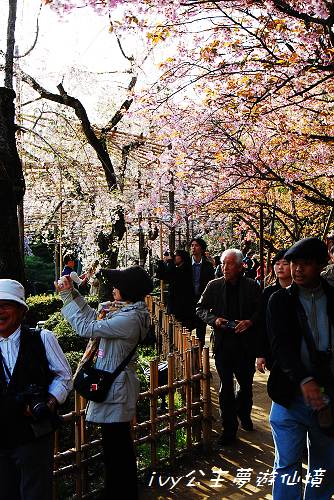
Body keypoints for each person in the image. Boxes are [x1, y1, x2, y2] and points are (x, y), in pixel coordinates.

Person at [55, 265, 153, 500]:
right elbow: (92, 318)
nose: (114, 288)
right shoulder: (123, 311)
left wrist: (67, 297)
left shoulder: (129, 318)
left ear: (129, 290)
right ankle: (122, 492)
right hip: (115, 387)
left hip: (115, 390)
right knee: (117, 448)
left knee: (117, 450)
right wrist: (72, 295)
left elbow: (86, 327)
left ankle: (121, 494)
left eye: (118, 285)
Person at [267, 237, 334, 499]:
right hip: (289, 397)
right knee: (287, 466)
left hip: (329, 397)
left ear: (321, 265)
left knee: (325, 467)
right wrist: (304, 379)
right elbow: (280, 346)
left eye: (306, 263)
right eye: (294, 263)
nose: (298, 269)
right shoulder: (279, 301)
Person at [0, 279, 72, 500]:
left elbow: (65, 376)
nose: (0, 311)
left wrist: (50, 401)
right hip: (1, 438)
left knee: (35, 495)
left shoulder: (41, 339)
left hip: (34, 434)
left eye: (6, 305)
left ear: (21, 309)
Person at [196, 249, 261, 445]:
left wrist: (249, 321)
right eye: (223, 264)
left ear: (241, 266)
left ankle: (244, 413)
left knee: (245, 386)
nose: (225, 268)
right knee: (225, 387)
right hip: (223, 343)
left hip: (245, 344)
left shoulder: (251, 286)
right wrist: (215, 320)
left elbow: (261, 310)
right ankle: (229, 429)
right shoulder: (214, 286)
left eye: (230, 264)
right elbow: (200, 308)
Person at [256, 250, 291, 373]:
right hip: (274, 349)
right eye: (277, 263)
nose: (280, 267)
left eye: (285, 263)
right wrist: (261, 354)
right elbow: (262, 323)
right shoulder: (268, 293)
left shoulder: (301, 291)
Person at [156, 249, 197, 331]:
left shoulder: (186, 269)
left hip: (184, 307)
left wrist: (170, 261)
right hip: (175, 305)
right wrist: (162, 262)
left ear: (183, 258)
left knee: (184, 331)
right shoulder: (175, 270)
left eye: (176, 255)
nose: (174, 257)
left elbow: (174, 271)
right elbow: (160, 275)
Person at [190, 237, 215, 347]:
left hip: (202, 300)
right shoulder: (186, 265)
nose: (193, 247)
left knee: (201, 328)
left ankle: (200, 355)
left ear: (202, 249)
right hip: (188, 300)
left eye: (196, 245)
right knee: (187, 327)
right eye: (192, 245)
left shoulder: (208, 265)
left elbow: (210, 283)